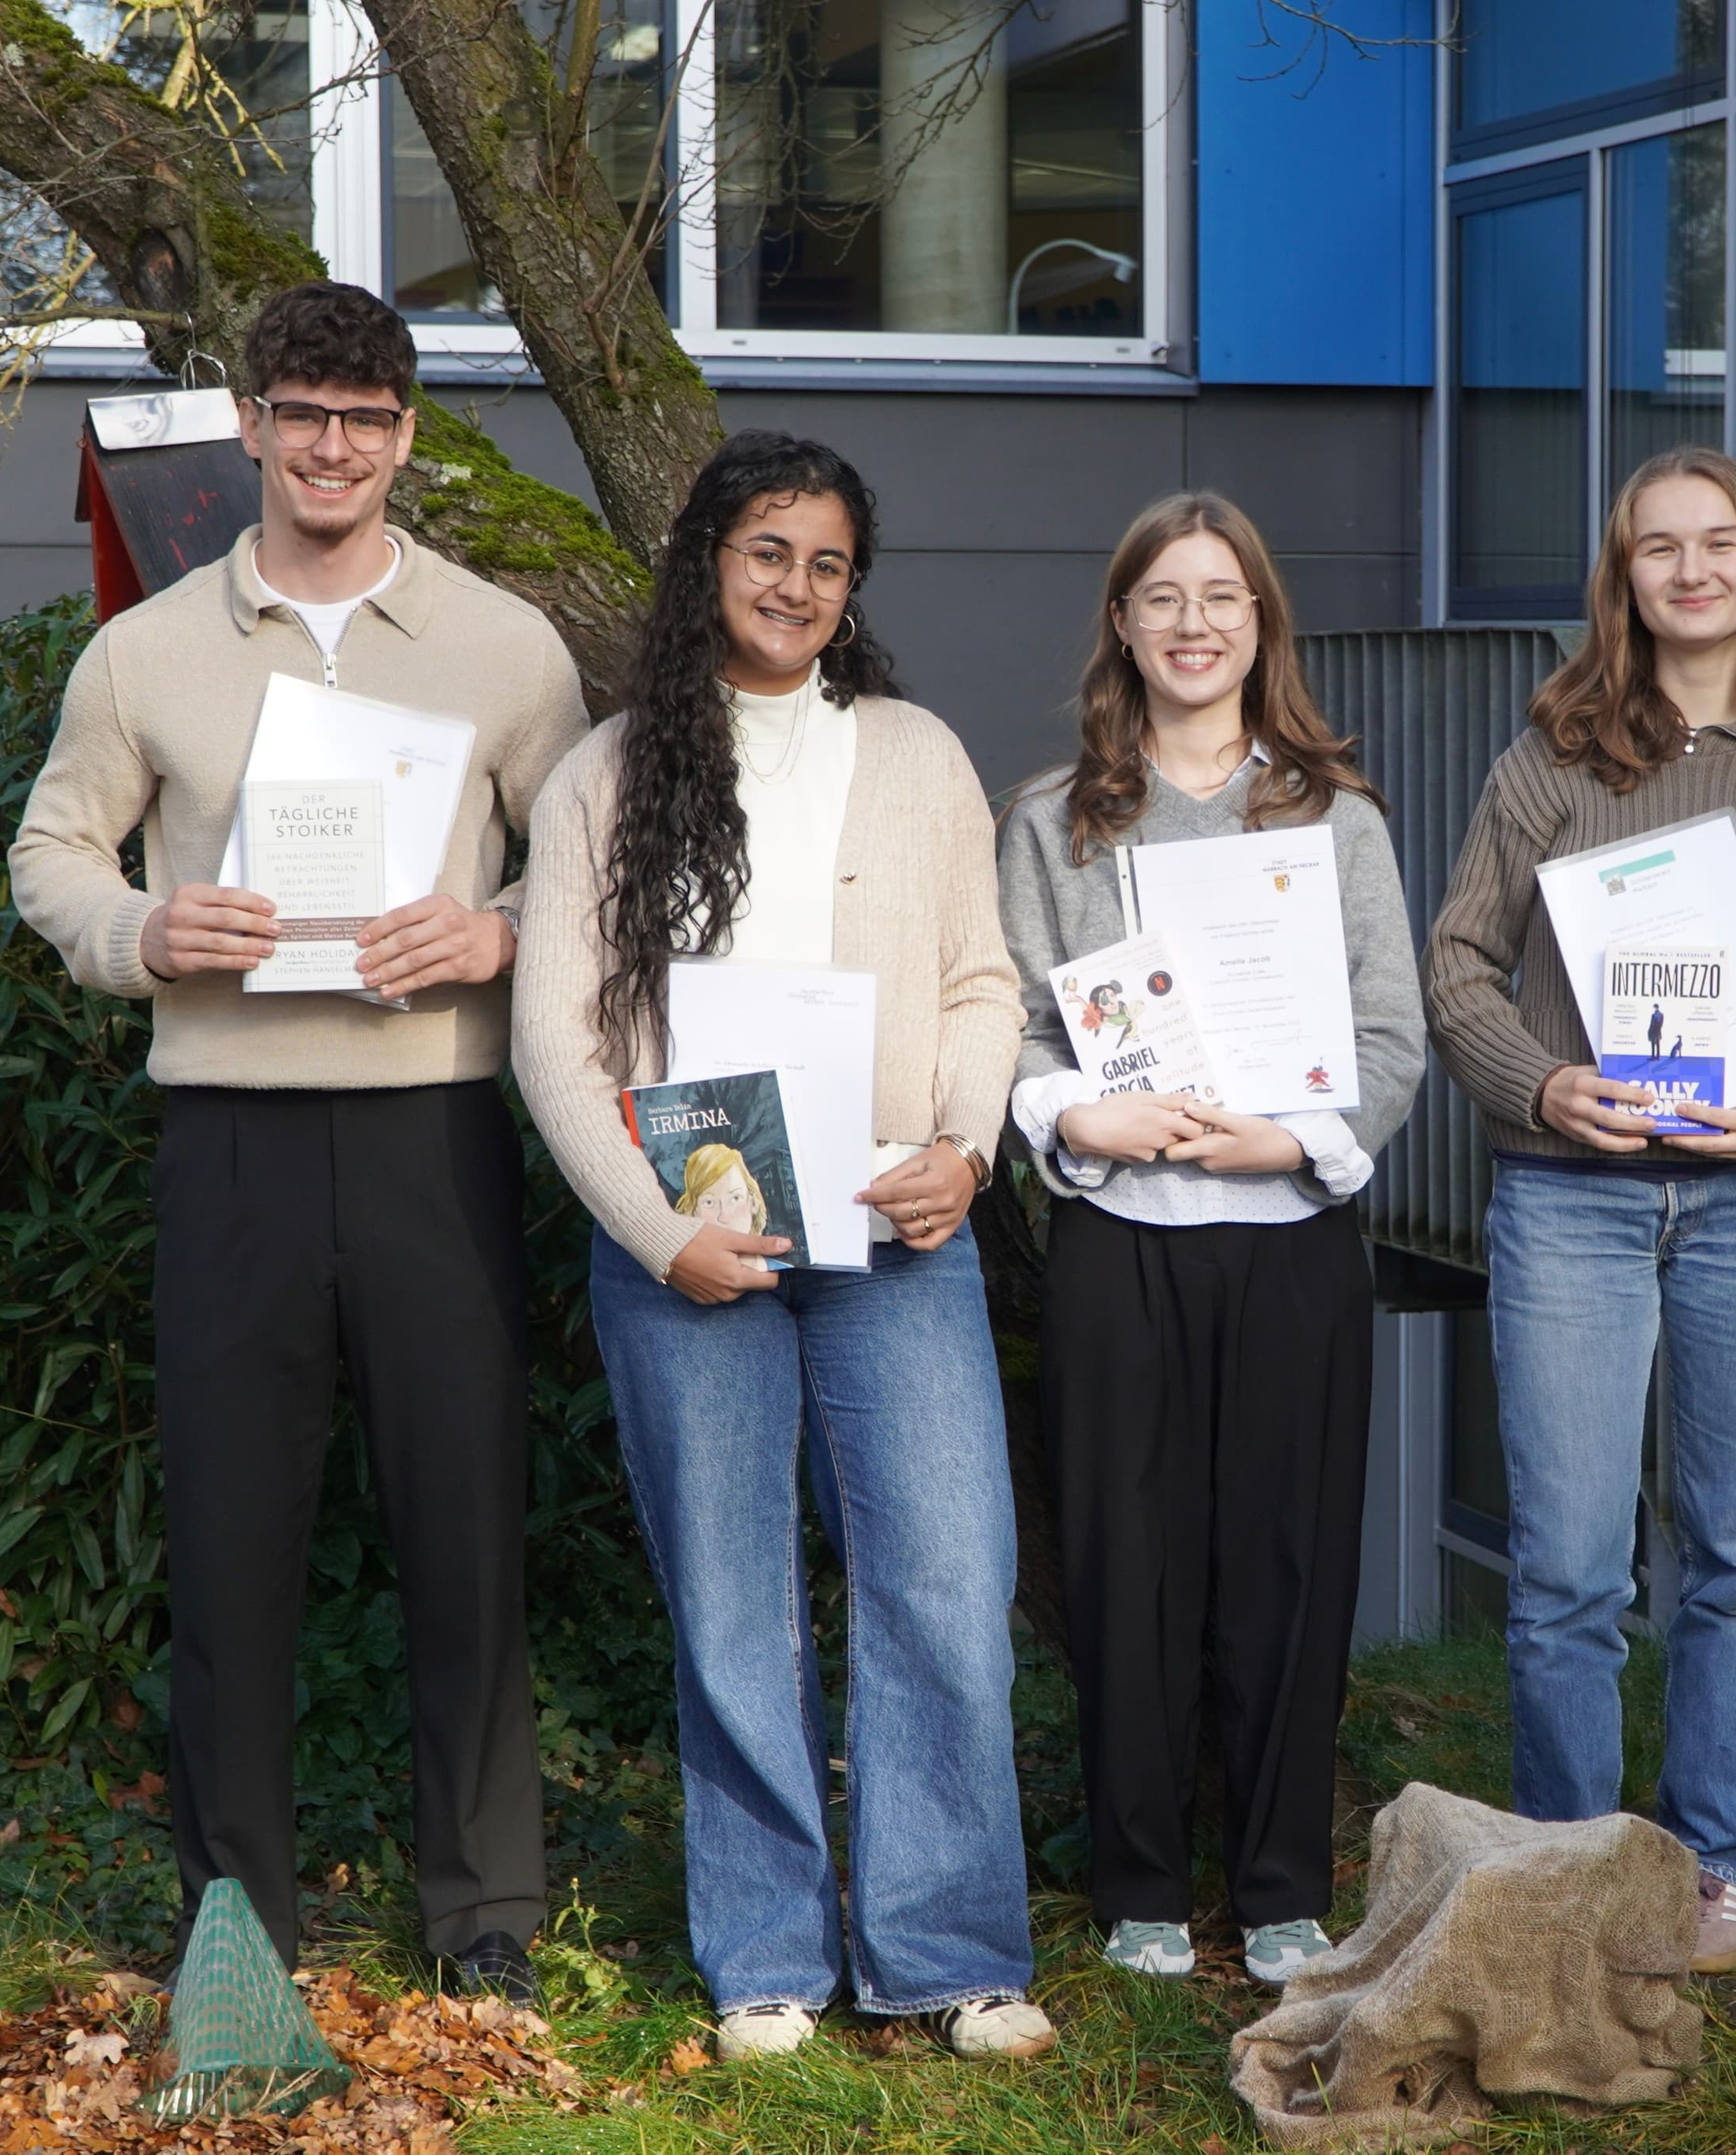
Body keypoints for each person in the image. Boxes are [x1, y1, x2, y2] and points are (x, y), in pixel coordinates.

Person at [7, 280, 579, 1996]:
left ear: (409, 438)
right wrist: (140, 934)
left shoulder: (508, 647)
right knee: (233, 1540)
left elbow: (602, 868)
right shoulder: (146, 649)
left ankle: (483, 1918)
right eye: (305, 413)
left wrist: (500, 932)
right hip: (233, 1151)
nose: (335, 445)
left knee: (465, 1530)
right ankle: (234, 1932)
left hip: (436, 1138)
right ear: (250, 424)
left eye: (369, 416)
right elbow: (52, 856)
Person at [512, 431, 1050, 2064]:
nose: (796, 586)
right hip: (695, 1245)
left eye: (826, 562)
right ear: (707, 563)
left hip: (896, 1229)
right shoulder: (605, 775)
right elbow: (554, 1037)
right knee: (733, 1598)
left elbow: (982, 982)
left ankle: (948, 1951)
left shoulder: (917, 755)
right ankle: (764, 1955)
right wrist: (659, 1230)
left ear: (852, 589)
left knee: (948, 1577)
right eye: (766, 552)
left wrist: (964, 1144)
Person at [1427, 446, 1736, 1976]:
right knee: (1567, 1562)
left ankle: (1710, 1865)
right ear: (1621, 577)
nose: (1691, 571)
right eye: (1657, 548)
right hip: (1572, 1197)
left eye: (1720, 545)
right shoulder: (1554, 755)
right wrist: (1542, 1087)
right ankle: (1574, 1863)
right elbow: (1455, 969)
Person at [999, 492, 1424, 1990]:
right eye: (1163, 598)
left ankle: (1283, 1878)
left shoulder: (1336, 821)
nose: (1193, 624)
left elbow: (1391, 1034)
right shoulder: (1053, 821)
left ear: (1261, 624)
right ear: (1122, 623)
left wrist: (1290, 1138)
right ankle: (1137, 1882)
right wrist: (1070, 1116)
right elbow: (1011, 1019)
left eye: (1221, 598)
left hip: (1291, 1237)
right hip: (1125, 1233)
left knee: (1287, 1564)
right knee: (1129, 1563)